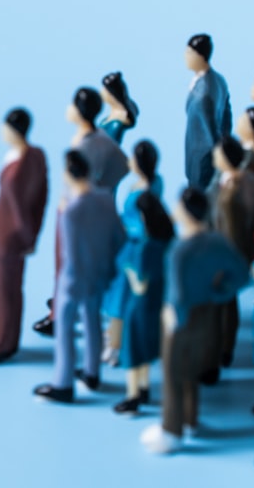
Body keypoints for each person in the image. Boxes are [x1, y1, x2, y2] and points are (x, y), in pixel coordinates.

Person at [141, 188, 247, 454]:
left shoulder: (180, 251)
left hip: (179, 318)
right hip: (207, 312)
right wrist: (219, 292)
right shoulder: (217, 242)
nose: (174, 211)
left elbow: (176, 292)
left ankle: (171, 430)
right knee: (191, 372)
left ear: (187, 213)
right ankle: (190, 420)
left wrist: (171, 315)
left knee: (173, 373)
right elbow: (242, 274)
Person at [32, 88, 127, 339]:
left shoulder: (89, 145)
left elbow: (121, 166)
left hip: (75, 211)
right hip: (75, 207)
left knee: (68, 263)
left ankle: (61, 314)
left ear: (79, 111)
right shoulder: (99, 138)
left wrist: (95, 194)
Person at [33, 150, 125, 403]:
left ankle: (63, 383)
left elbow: (70, 253)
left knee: (64, 329)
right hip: (98, 275)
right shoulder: (105, 199)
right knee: (93, 322)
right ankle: (92, 372)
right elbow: (118, 236)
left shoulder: (71, 211)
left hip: (73, 279)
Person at [0, 108, 49, 364]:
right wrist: (34, 234)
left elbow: (20, 210)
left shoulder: (17, 170)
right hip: (19, 237)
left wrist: (28, 236)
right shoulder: (37, 156)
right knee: (14, 290)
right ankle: (10, 338)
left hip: (8, 238)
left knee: (4, 292)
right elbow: (42, 195)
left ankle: (1, 343)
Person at [204, 136, 254, 379]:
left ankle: (221, 351)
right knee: (227, 303)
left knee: (222, 304)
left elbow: (239, 224)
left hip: (230, 251)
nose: (214, 158)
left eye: (218, 154)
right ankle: (224, 348)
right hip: (227, 249)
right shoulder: (231, 180)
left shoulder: (239, 185)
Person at [102, 140, 162, 366]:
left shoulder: (145, 192)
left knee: (120, 297)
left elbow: (140, 223)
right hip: (128, 240)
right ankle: (115, 336)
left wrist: (122, 227)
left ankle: (115, 345)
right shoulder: (153, 183)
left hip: (133, 247)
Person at [113, 191, 173, 415]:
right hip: (157, 302)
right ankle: (145, 387)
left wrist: (128, 269)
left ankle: (132, 395)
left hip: (138, 304)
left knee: (131, 351)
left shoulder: (144, 248)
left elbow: (140, 285)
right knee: (146, 347)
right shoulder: (166, 241)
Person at [184, 34, 233, 190]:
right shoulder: (219, 80)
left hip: (202, 158)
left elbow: (212, 128)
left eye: (189, 53)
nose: (185, 57)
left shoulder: (203, 94)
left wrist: (220, 153)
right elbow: (227, 117)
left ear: (200, 56)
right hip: (202, 155)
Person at [99, 71, 139, 144]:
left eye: (105, 89)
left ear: (112, 94)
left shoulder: (116, 125)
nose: (101, 92)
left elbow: (110, 147)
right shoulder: (110, 117)